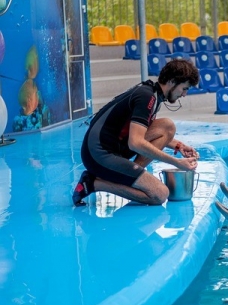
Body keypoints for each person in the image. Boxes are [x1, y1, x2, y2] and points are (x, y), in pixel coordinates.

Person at [72, 59, 200, 206]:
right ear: (172, 81)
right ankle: (93, 183)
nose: (184, 94)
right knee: (160, 194)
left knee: (167, 127)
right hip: (98, 155)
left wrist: (179, 146)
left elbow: (147, 133)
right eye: (184, 88)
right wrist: (176, 162)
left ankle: (130, 176)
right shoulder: (147, 97)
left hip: (115, 147)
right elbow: (136, 142)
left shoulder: (153, 94)